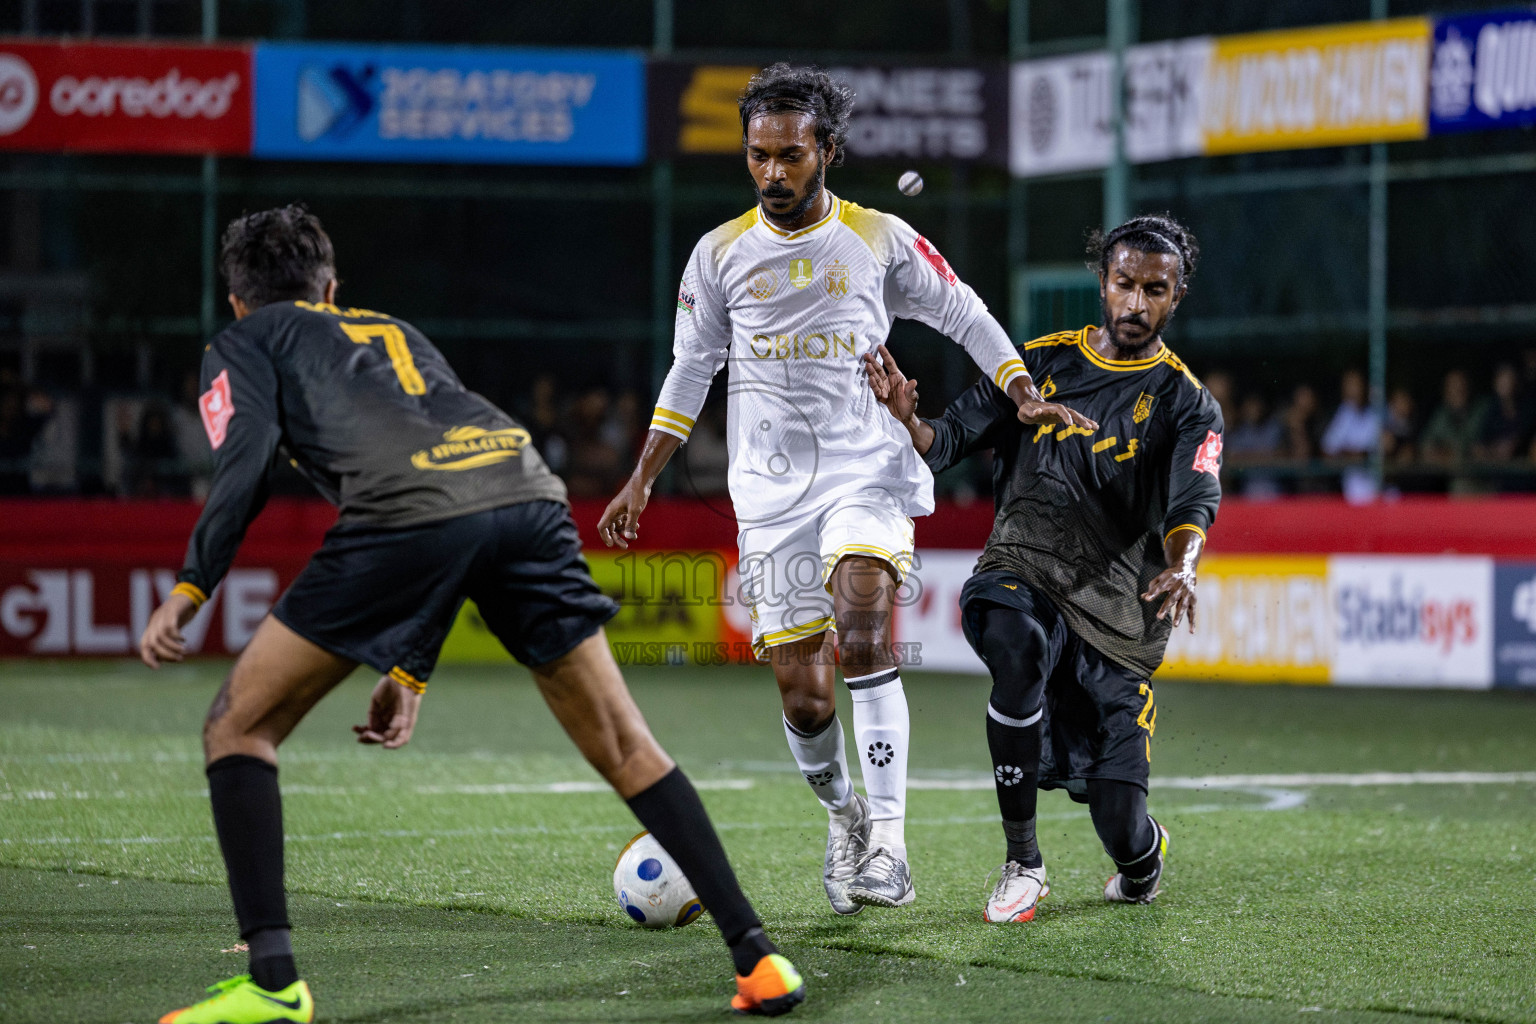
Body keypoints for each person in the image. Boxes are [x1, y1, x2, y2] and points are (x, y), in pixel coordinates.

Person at [139, 205, 806, 1023]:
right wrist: (410, 665)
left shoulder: (241, 344)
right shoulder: (391, 331)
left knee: (236, 728)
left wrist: (190, 588)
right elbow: (452, 501)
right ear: (333, 288)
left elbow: (245, 464)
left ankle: (274, 987)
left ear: (238, 302)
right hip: (523, 486)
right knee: (628, 746)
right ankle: (758, 957)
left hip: (413, 511)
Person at [597, 63, 1088, 915]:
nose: (773, 173)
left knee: (863, 627)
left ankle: (891, 846)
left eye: (790, 155)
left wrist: (1021, 390)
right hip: (769, 495)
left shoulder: (879, 237)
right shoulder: (717, 255)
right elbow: (691, 368)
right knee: (803, 689)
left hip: (866, 470)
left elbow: (964, 313)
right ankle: (845, 818)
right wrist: (642, 477)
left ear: (826, 148)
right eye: (758, 157)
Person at [864, 213, 1221, 923]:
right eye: (1124, 284)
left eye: (1155, 289)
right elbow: (946, 442)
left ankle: (1143, 858)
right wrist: (908, 419)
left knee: (1121, 827)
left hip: (1117, 617)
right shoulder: (1035, 364)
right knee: (1014, 643)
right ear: (1103, 281)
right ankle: (1022, 861)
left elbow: (1193, 500)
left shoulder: (1187, 403)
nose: (1136, 303)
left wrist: (1183, 565)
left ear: (1175, 296)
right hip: (1021, 566)